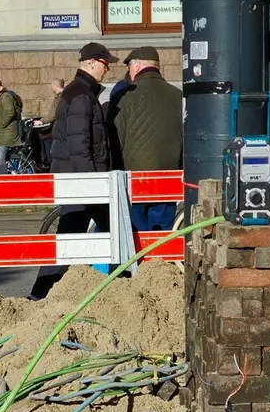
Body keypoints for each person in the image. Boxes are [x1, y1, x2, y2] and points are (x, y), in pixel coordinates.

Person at [30, 42, 117, 299]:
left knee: (77, 235)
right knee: (103, 234)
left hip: (80, 177)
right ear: (92, 63)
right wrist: (90, 183)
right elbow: (79, 145)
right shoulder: (81, 95)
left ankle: (42, 292)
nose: (108, 68)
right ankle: (42, 293)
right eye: (104, 63)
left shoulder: (80, 92)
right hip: (83, 180)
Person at [111, 46, 183, 232]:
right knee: (162, 233)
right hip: (168, 176)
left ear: (136, 67)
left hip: (134, 178)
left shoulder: (125, 95)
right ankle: (161, 261)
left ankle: (141, 261)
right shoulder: (177, 95)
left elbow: (115, 136)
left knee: (136, 233)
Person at [32, 78, 65, 165]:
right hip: (58, 126)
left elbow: (54, 113)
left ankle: (49, 162)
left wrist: (42, 121)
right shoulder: (61, 96)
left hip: (59, 128)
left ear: (55, 85)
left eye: (52, 85)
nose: (51, 87)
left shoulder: (61, 97)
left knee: (46, 139)